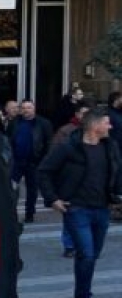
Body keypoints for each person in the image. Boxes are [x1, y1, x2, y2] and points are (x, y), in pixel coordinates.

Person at [38, 108, 122, 298]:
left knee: (91, 256)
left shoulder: (110, 147)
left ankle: (82, 297)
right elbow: (44, 171)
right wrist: (53, 198)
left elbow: (116, 172)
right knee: (86, 253)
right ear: (95, 126)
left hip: (102, 210)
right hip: (77, 209)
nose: (110, 126)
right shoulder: (69, 148)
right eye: (107, 122)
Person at [5, 100, 53, 223]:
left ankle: (29, 214)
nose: (26, 110)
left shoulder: (43, 123)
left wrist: (44, 161)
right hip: (17, 161)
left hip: (34, 162)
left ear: (34, 109)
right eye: (24, 108)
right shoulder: (15, 123)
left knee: (32, 190)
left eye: (29, 108)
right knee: (11, 188)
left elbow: (48, 144)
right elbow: (8, 140)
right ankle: (11, 213)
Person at [54, 104, 90, 258]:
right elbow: (55, 153)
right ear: (77, 114)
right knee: (70, 214)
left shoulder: (95, 132)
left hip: (88, 181)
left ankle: (84, 244)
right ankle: (69, 245)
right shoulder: (66, 131)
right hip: (69, 180)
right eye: (84, 113)